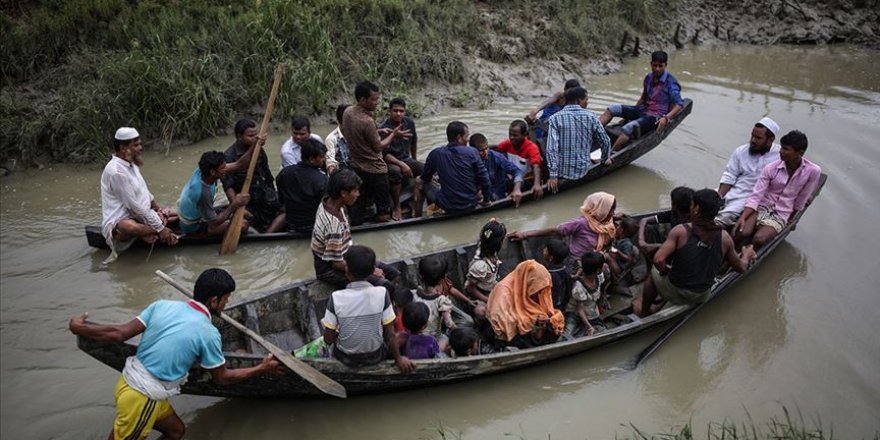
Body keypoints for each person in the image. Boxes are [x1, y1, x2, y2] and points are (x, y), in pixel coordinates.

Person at [68, 268, 282, 440]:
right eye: (226, 299)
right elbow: (222, 378)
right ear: (214, 301)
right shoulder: (208, 333)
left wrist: (79, 328)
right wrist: (261, 368)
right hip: (143, 395)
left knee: (176, 431)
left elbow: (119, 332)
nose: (226, 304)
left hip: (129, 382)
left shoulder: (162, 305)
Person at [638, 189, 757, 317]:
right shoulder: (725, 238)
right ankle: (662, 301)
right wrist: (747, 254)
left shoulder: (680, 231)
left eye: (692, 204)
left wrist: (665, 271)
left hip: (678, 291)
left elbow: (658, 260)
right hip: (701, 295)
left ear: (696, 209)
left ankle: (643, 313)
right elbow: (741, 267)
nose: (690, 207)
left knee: (653, 275)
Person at [321, 245, 415, 372]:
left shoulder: (336, 297)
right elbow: (390, 335)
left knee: (330, 327)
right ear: (372, 271)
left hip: (345, 358)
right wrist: (398, 359)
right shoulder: (382, 293)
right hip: (376, 357)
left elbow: (328, 340)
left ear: (347, 271)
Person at [310, 169, 401, 289]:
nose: (358, 194)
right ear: (343, 193)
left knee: (393, 273)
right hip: (330, 270)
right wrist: (371, 271)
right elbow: (336, 264)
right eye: (355, 191)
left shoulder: (328, 201)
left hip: (346, 256)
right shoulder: (333, 225)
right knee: (385, 285)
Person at [100, 127, 179, 262]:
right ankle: (151, 233)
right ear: (123, 148)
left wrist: (158, 209)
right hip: (122, 219)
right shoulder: (116, 172)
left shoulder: (132, 163)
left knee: (178, 214)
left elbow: (145, 192)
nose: (140, 148)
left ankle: (146, 233)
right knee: (130, 227)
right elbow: (134, 207)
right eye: (136, 145)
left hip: (139, 213)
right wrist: (160, 229)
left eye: (140, 144)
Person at [735, 130, 822, 249]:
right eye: (781, 148)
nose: (780, 152)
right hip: (761, 207)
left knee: (759, 239)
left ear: (800, 153)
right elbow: (756, 196)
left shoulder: (813, 171)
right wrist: (743, 217)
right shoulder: (771, 168)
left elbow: (802, 198)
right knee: (741, 232)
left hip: (781, 213)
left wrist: (791, 220)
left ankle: (746, 253)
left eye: (786, 149)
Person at [341, 80, 408, 224]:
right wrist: (393, 135)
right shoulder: (367, 121)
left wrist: (379, 131)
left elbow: (353, 132)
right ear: (363, 99)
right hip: (375, 169)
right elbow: (379, 147)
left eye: (378, 98)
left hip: (355, 166)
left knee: (358, 205)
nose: (377, 103)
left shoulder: (348, 112)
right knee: (384, 210)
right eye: (374, 99)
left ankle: (357, 227)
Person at [509, 192, 617, 275]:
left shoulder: (607, 222)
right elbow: (556, 230)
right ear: (600, 210)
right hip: (578, 261)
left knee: (607, 272)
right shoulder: (581, 223)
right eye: (610, 210)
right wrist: (525, 234)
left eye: (613, 210)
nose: (612, 213)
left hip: (595, 258)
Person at [599, 50, 684, 151]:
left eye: (660, 66)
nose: (657, 69)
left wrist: (666, 118)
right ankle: (591, 135)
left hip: (655, 116)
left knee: (628, 128)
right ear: (651, 64)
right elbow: (643, 98)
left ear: (665, 65)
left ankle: (610, 154)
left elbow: (679, 105)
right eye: (655, 65)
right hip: (643, 109)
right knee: (612, 109)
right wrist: (630, 115)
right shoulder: (648, 77)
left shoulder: (671, 82)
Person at [715, 117, 782, 230]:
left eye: (758, 138)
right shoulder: (741, 151)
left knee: (725, 217)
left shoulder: (781, 156)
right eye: (752, 136)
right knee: (703, 201)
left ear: (771, 139)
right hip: (733, 190)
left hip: (752, 198)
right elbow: (729, 176)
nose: (753, 140)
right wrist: (718, 197)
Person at [222, 119, 285, 233]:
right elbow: (228, 186)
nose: (255, 138)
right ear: (239, 136)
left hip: (264, 196)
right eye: (250, 136)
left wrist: (273, 195)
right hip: (248, 202)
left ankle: (267, 235)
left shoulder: (258, 149)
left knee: (288, 208)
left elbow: (267, 175)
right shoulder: (229, 157)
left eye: (256, 134)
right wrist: (237, 207)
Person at [485, 260, 565, 349]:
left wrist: (547, 320)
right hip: (504, 331)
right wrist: (529, 321)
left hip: (527, 320)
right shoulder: (503, 290)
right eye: (537, 290)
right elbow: (501, 322)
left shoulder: (539, 289)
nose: (540, 292)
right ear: (528, 282)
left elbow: (547, 307)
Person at [545, 86, 612, 193]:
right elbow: (605, 141)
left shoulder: (555, 118)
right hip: (584, 170)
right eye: (586, 99)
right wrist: (605, 159)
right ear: (579, 100)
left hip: (562, 172)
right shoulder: (591, 116)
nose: (587, 102)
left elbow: (551, 149)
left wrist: (553, 175)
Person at [420, 121, 491, 215]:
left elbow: (425, 177)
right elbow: (485, 180)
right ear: (459, 138)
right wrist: (486, 201)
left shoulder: (435, 154)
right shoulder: (473, 152)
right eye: (466, 136)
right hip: (471, 204)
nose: (468, 140)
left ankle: (418, 216)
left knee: (419, 181)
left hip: (448, 206)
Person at [177, 150, 253, 237]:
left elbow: (239, 164)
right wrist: (234, 204)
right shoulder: (202, 192)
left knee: (246, 213)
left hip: (200, 214)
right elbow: (213, 224)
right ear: (213, 172)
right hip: (194, 227)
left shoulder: (204, 171)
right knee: (244, 225)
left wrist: (255, 144)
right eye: (223, 168)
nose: (226, 169)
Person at [380, 97, 424, 220]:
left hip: (406, 158)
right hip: (390, 161)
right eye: (395, 111)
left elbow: (414, 142)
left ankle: (419, 199)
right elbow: (384, 154)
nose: (398, 113)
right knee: (396, 171)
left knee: (425, 169)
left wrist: (414, 160)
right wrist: (402, 164)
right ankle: (397, 206)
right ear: (389, 111)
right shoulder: (384, 128)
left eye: (401, 111)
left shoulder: (409, 123)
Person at [277, 138, 329, 233]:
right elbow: (327, 207)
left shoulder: (285, 173)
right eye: (321, 157)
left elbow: (281, 199)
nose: (324, 159)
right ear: (311, 159)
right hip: (312, 226)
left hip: (291, 224)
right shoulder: (322, 179)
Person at [638, 186, 694, 258]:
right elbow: (644, 220)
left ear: (675, 205)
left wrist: (657, 246)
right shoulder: (673, 214)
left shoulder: (694, 223)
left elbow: (684, 247)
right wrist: (641, 241)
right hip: (671, 246)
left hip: (685, 255)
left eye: (672, 202)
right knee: (648, 228)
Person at [469, 133, 524, 206]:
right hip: (478, 197)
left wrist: (517, 189)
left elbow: (517, 171)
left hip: (496, 195)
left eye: (486, 148)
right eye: (481, 151)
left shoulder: (495, 157)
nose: (486, 153)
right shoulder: (467, 160)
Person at [563, 252, 609, 338]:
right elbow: (580, 309)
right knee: (566, 335)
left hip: (591, 312)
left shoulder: (599, 277)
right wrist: (589, 327)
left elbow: (601, 293)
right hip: (575, 314)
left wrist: (600, 308)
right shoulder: (579, 286)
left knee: (603, 331)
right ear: (598, 270)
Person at [495, 120, 544, 199]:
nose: (511, 138)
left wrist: (537, 184)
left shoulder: (531, 147)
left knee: (508, 184)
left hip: (527, 179)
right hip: (513, 175)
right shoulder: (507, 144)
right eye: (510, 134)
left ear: (524, 135)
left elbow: (536, 166)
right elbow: (494, 153)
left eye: (515, 135)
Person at [413, 256, 458, 342]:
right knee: (445, 338)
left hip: (415, 334)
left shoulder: (413, 294)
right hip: (433, 338)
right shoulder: (442, 300)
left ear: (420, 277)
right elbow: (449, 323)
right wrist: (457, 331)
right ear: (441, 281)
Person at [524, 78, 582, 145]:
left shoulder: (576, 101)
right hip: (548, 118)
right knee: (539, 133)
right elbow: (547, 102)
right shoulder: (560, 95)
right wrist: (535, 111)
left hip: (560, 124)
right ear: (565, 90)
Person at [464, 220, 507, 305]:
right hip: (482, 294)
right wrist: (488, 300)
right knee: (481, 311)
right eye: (503, 239)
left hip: (493, 287)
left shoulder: (490, 250)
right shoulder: (480, 266)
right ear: (498, 243)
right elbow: (470, 288)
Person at [608, 215, 648, 296]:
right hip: (620, 261)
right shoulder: (620, 238)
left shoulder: (626, 243)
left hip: (621, 266)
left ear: (621, 230)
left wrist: (618, 252)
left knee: (606, 256)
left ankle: (614, 284)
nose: (617, 226)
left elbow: (628, 258)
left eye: (618, 226)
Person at [542, 238, 573, 312]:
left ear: (551, 258)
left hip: (551, 306)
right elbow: (568, 292)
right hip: (562, 305)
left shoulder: (548, 274)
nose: (543, 250)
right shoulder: (566, 270)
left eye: (546, 249)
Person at [324, 104, 349, 174]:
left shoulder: (357, 134)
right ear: (339, 121)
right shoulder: (331, 139)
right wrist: (332, 167)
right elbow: (330, 162)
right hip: (341, 175)